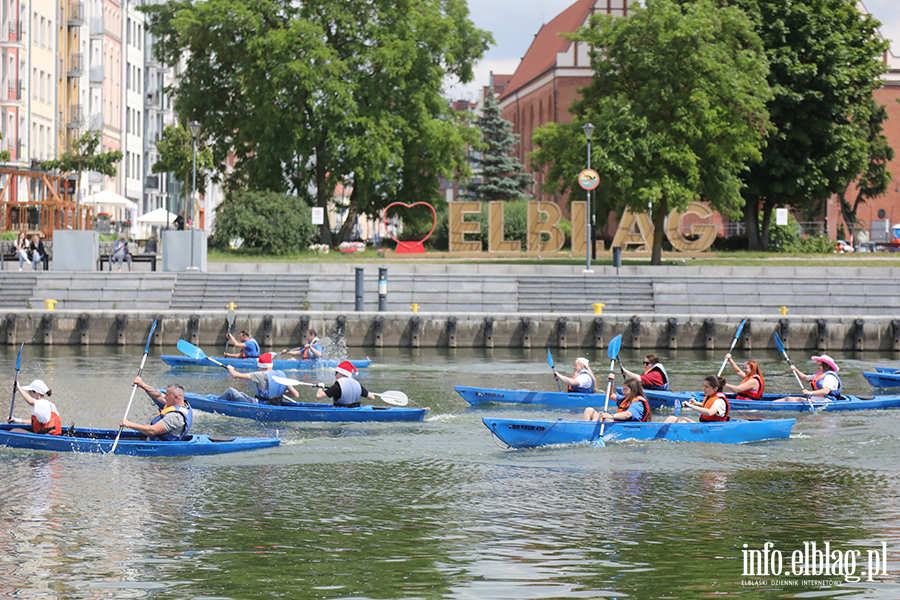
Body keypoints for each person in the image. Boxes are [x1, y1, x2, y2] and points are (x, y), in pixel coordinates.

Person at [120, 378, 192, 441]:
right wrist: (142, 384)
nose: (165, 397)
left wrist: (129, 424)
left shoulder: (175, 416)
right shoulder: (181, 404)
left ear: (175, 397)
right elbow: (159, 395)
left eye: (167, 395)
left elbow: (152, 430)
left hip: (157, 445)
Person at [218, 353, 300, 405]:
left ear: (261, 367)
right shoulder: (282, 375)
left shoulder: (261, 375)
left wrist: (230, 368)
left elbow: (236, 375)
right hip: (274, 405)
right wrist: (278, 391)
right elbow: (295, 394)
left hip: (260, 406)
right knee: (241, 394)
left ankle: (215, 404)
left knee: (231, 391)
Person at [665, 375, 729, 423]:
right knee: (671, 418)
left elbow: (710, 412)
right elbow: (708, 406)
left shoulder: (719, 401)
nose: (704, 389)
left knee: (684, 420)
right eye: (704, 386)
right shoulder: (711, 397)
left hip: (712, 429)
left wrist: (691, 406)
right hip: (704, 426)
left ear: (715, 389)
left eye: (707, 387)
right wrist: (696, 403)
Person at [777, 354, 842, 401]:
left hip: (827, 400)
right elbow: (805, 378)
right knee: (788, 398)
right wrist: (795, 370)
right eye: (818, 365)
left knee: (789, 399)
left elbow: (825, 391)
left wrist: (810, 393)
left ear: (827, 366)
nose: (818, 367)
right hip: (819, 399)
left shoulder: (829, 377)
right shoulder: (819, 375)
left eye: (820, 365)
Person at [582, 378, 651, 422]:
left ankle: (588, 431)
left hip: (628, 427)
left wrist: (611, 416)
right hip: (618, 423)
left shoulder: (638, 403)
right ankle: (583, 428)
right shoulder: (626, 399)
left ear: (633, 390)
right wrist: (611, 382)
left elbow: (627, 414)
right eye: (623, 390)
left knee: (601, 416)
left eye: (626, 390)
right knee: (589, 410)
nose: (623, 392)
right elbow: (610, 395)